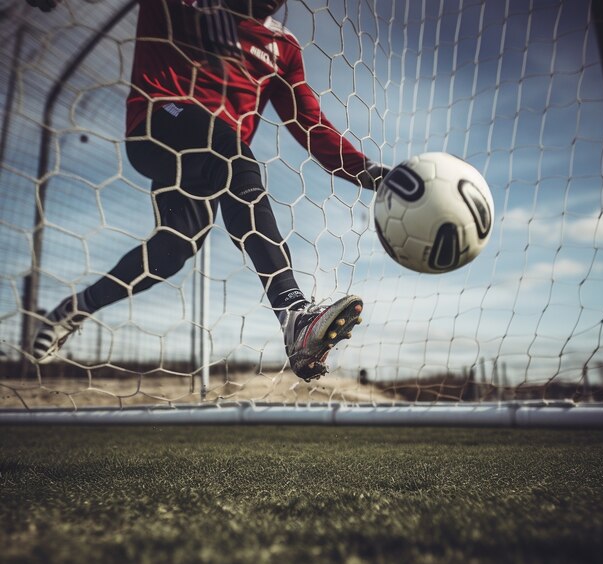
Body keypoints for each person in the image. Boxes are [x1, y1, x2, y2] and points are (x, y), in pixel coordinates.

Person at [27, 0, 389, 381]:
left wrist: (375, 175)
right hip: (158, 121)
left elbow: (310, 124)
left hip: (207, 166)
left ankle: (76, 307)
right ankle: (294, 313)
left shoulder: (283, 47)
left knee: (174, 248)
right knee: (234, 155)